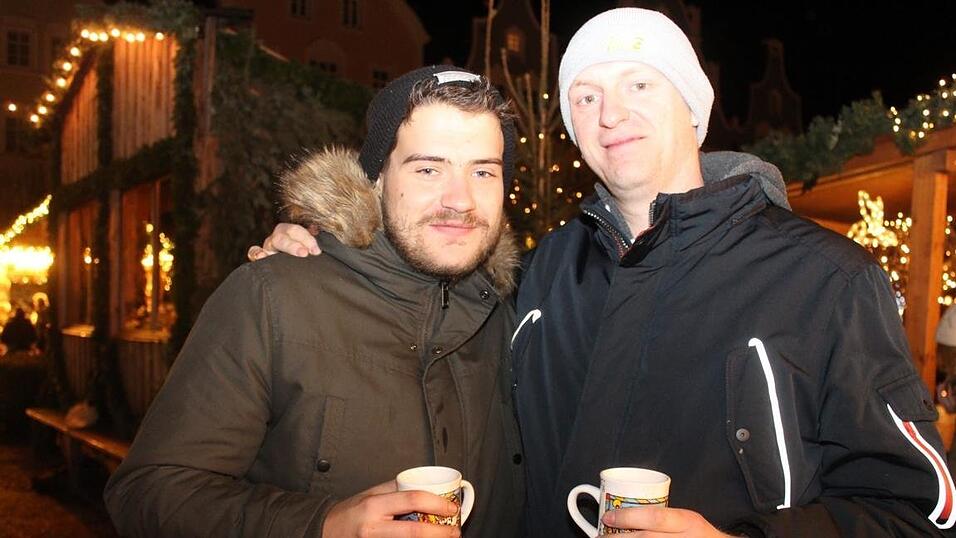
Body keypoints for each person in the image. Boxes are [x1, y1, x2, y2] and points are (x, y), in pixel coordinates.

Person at [252, 8, 954, 537]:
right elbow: (424, 298)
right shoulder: (543, 271)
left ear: (694, 108)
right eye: (584, 96)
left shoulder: (825, 278)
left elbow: (921, 508)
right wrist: (336, 247)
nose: (610, 111)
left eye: (639, 83)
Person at [103, 66, 525, 537]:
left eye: (483, 171)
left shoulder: (510, 314)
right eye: (428, 168)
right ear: (377, 179)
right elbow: (148, 492)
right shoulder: (272, 297)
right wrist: (322, 524)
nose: (460, 199)